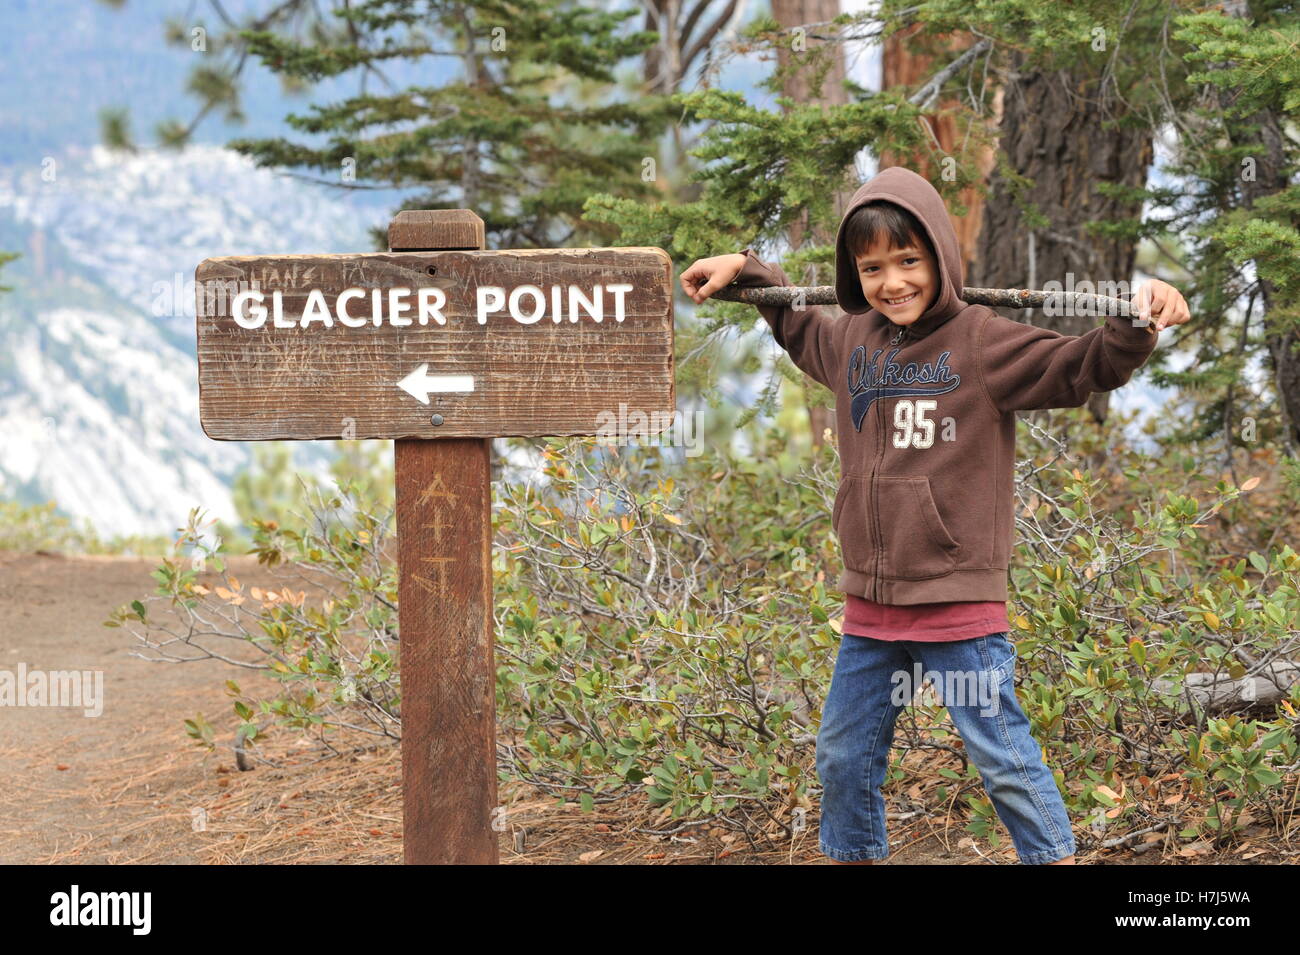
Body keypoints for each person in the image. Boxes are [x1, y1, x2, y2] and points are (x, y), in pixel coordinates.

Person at [679, 165, 1191, 865]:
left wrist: (1137, 321)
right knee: (841, 755)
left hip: (957, 603)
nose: (892, 282)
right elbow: (798, 326)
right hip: (872, 606)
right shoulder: (852, 341)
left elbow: (1082, 367)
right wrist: (746, 270)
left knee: (1002, 758)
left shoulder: (981, 342)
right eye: (872, 267)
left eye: (909, 261)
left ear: (941, 259)